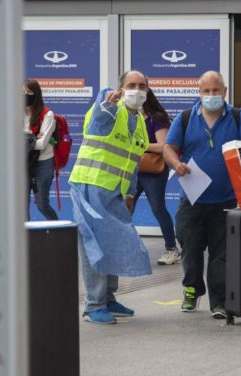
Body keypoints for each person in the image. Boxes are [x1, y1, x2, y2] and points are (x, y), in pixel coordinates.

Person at [163, 71, 241, 319]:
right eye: (206, 91)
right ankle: (193, 289)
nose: (211, 96)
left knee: (221, 254)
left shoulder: (239, 117)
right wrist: (175, 164)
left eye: (216, 91)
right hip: (192, 199)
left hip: (227, 199)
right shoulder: (185, 118)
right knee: (190, 248)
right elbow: (169, 148)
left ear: (225, 91)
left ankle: (219, 301)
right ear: (199, 92)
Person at [69, 70, 151, 325]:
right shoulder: (110, 111)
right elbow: (99, 119)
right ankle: (94, 305)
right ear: (121, 88)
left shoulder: (139, 124)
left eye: (141, 86)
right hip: (90, 187)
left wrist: (129, 193)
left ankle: (109, 298)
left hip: (115, 192)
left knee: (115, 243)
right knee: (95, 247)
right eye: (131, 85)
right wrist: (106, 103)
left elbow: (133, 162)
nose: (136, 90)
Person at [132, 88, 180, 265]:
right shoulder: (131, 117)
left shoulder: (157, 118)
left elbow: (164, 146)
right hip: (133, 170)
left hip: (153, 171)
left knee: (158, 208)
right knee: (125, 209)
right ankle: (127, 247)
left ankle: (171, 249)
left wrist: (140, 145)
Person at [23, 79, 58, 220]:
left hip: (43, 163)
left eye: (29, 92)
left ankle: (57, 232)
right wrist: (32, 138)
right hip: (23, 163)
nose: (25, 95)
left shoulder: (47, 115)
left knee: (42, 204)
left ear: (36, 94)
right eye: (22, 92)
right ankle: (25, 238)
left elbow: (42, 144)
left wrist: (25, 139)